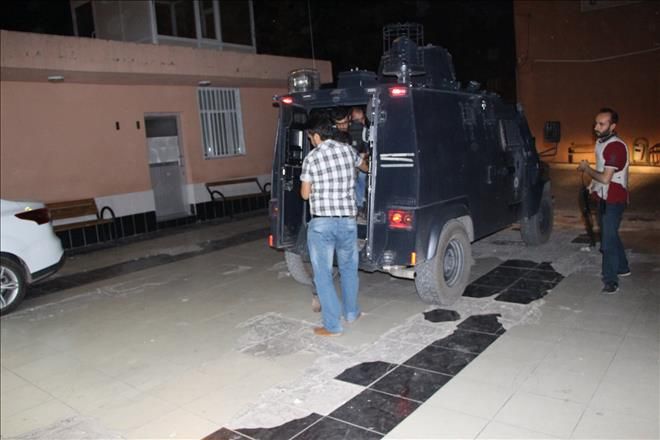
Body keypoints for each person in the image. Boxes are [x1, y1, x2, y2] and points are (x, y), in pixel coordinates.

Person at [300, 115, 368, 336]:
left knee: (323, 274)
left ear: (316, 136)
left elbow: (304, 194)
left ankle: (332, 325)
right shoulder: (348, 150)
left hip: (323, 223)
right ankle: (351, 313)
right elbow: (365, 167)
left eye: (310, 137)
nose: (310, 140)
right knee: (349, 269)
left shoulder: (312, 158)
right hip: (347, 221)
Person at [577, 108, 631, 294]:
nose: (596, 127)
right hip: (603, 196)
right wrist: (592, 186)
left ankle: (610, 280)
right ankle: (623, 267)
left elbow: (606, 178)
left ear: (613, 126)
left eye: (601, 124)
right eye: (596, 123)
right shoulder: (601, 142)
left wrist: (586, 169)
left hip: (614, 200)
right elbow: (601, 169)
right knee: (611, 233)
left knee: (607, 241)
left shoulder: (615, 147)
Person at [349, 107, 369, 213]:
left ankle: (361, 203)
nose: (360, 122)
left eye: (362, 119)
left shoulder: (368, 129)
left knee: (361, 176)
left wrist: (365, 155)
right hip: (355, 161)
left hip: (364, 161)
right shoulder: (349, 131)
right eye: (357, 120)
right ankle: (360, 204)